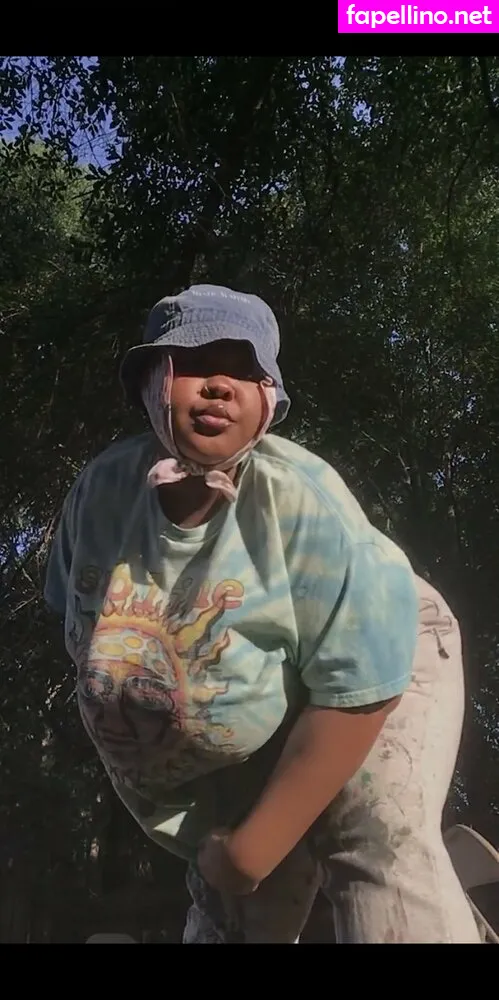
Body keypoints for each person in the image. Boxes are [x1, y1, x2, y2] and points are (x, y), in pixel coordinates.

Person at [44, 284, 480, 944]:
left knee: (367, 837)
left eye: (243, 370)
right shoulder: (101, 497)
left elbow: (358, 687)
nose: (219, 384)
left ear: (269, 399)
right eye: (194, 362)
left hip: (382, 657)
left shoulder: (300, 501)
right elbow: (82, 624)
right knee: (234, 903)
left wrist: (258, 844)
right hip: (261, 679)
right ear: (147, 383)